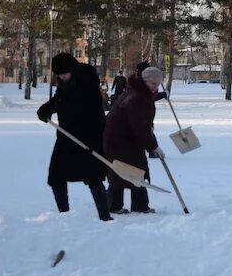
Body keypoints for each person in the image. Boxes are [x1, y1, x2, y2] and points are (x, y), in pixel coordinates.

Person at [36, 53, 112, 221]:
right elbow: (60, 100)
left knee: (94, 178)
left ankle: (105, 217)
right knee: (56, 177)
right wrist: (46, 109)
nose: (62, 77)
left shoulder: (88, 83)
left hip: (88, 139)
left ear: (73, 69)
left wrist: (93, 140)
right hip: (66, 138)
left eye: (65, 73)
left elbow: (97, 115)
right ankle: (64, 216)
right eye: (59, 74)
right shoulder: (64, 83)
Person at [104, 67, 164, 214]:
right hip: (121, 141)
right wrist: (153, 147)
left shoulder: (136, 93)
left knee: (128, 171)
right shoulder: (138, 98)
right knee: (128, 171)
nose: (154, 87)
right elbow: (141, 126)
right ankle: (129, 206)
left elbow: (143, 126)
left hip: (123, 140)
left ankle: (128, 205)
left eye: (157, 84)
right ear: (144, 81)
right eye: (151, 83)